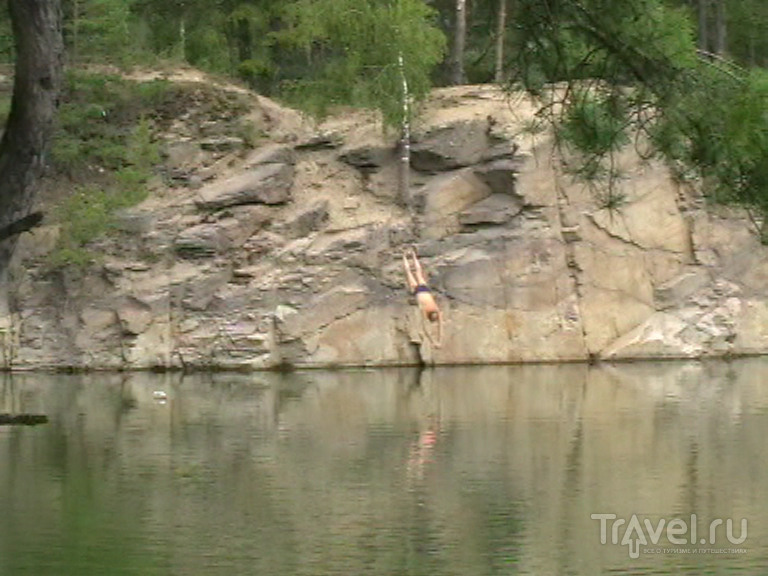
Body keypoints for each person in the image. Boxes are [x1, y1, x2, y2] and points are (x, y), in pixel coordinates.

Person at [402, 248, 443, 347]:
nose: (435, 316)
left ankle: (404, 257)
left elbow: (426, 329)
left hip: (417, 291)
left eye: (433, 318)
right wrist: (438, 340)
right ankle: (413, 255)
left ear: (430, 317)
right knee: (418, 272)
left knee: (409, 272)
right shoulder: (436, 310)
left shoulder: (424, 312)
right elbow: (440, 328)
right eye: (436, 317)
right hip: (425, 290)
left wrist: (434, 341)